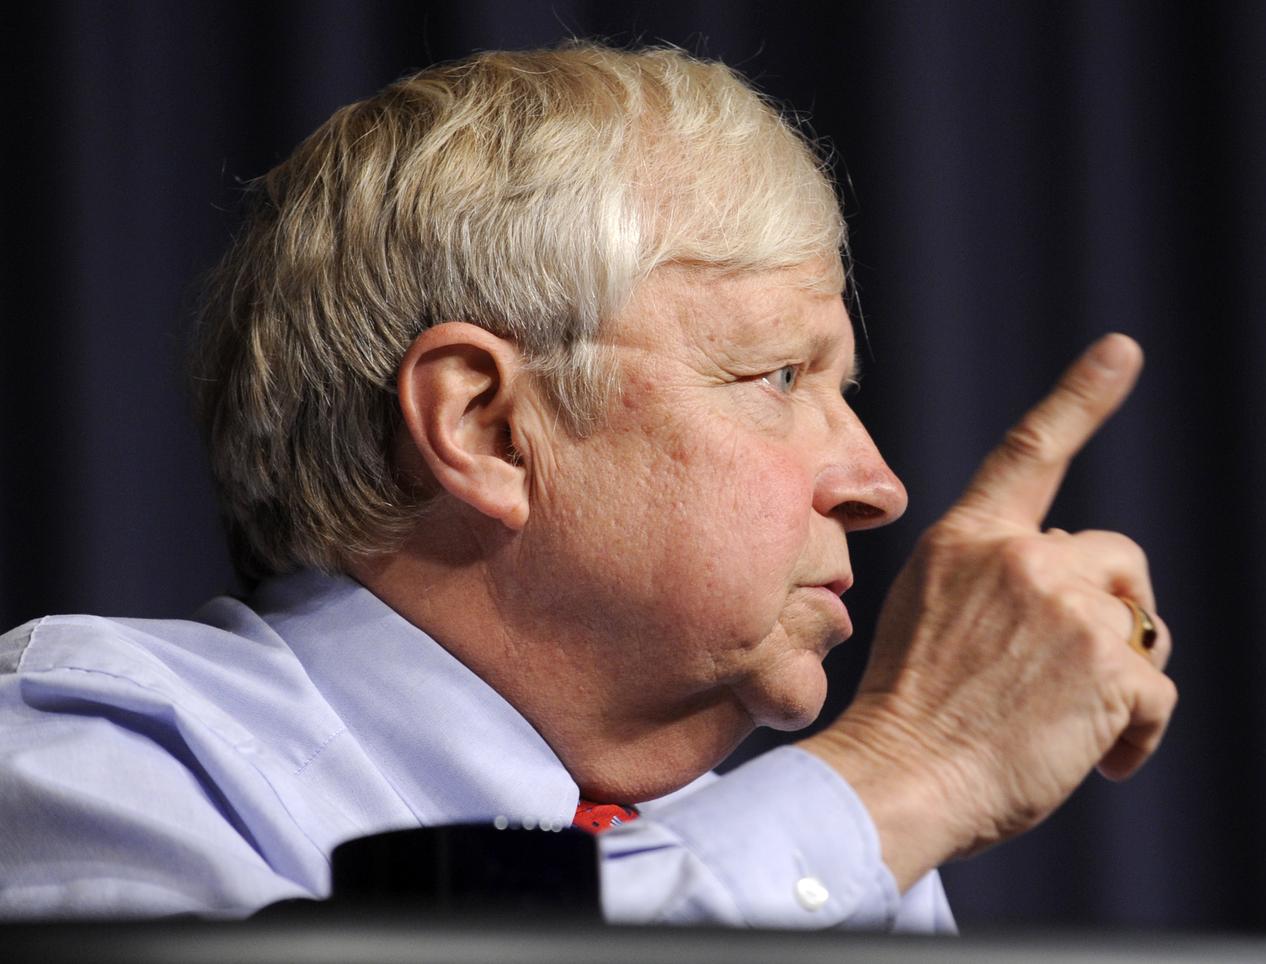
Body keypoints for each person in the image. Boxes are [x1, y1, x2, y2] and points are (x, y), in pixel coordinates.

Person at [0, 43, 1174, 930]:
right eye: (777, 375)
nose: (876, 484)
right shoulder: (82, 755)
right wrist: (923, 762)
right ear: (487, 426)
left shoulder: (827, 860)